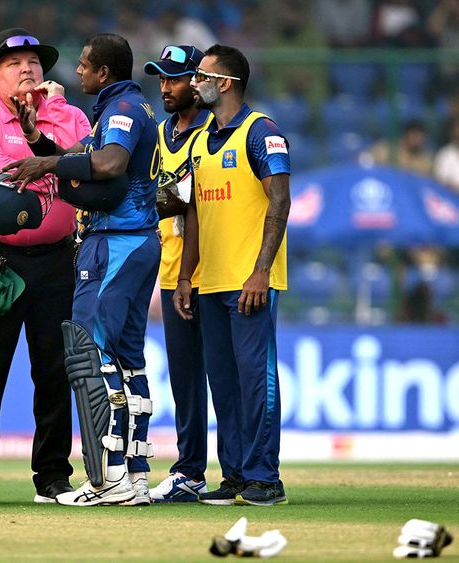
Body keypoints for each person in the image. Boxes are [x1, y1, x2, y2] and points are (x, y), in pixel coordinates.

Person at [6, 33, 161, 506]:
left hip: (114, 243)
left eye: (83, 65)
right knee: (128, 360)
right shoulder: (131, 107)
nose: (76, 73)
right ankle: (133, 473)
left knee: (89, 354)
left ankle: (107, 479)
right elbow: (80, 159)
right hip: (138, 243)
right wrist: (38, 140)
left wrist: (46, 162)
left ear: (104, 73)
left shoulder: (120, 112)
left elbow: (109, 164)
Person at [0, 28, 91, 504]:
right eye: (13, 63)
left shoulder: (71, 115)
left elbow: (93, 165)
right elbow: (2, 174)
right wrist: (55, 163)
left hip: (57, 260)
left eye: (33, 62)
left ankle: (53, 476)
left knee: (55, 371)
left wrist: (44, 149)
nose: (27, 68)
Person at [173, 44, 291, 506]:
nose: (194, 80)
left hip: (250, 283)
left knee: (255, 380)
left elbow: (279, 201)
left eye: (201, 74)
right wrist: (186, 276)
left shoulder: (262, 131)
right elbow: (195, 214)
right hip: (210, 282)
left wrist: (261, 271)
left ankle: (266, 478)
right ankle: (236, 475)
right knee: (222, 384)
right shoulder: (201, 140)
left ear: (224, 83)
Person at [142, 45, 212, 503]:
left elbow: (191, 200)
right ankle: (190, 471)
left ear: (199, 82)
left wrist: (161, 197)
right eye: (161, 78)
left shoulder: (214, 132)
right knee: (185, 379)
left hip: (216, 271)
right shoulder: (159, 133)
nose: (166, 86)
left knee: (226, 380)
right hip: (171, 272)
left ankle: (248, 472)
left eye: (176, 77)